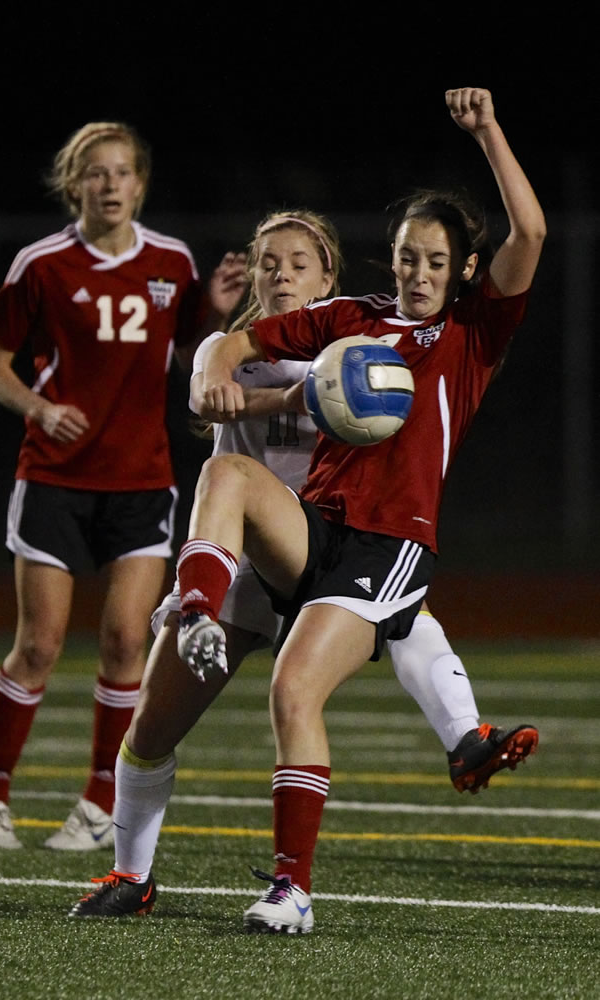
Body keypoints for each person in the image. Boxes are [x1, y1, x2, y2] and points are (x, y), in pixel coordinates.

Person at [68, 200, 538, 920]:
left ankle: (454, 743)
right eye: (267, 263)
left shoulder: (360, 341)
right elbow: (212, 375)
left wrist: (296, 391)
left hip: (336, 548)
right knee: (151, 727)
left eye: (297, 263)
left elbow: (398, 482)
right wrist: (222, 380)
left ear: (328, 275)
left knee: (375, 622)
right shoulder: (273, 341)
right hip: (239, 559)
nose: (280, 275)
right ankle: (131, 876)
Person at [169, 86, 545, 934]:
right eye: (407, 257)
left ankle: (292, 891)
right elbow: (251, 337)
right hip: (319, 526)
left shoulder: (471, 336)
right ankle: (192, 604)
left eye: (434, 262)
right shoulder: (356, 321)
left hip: (390, 543)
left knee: (293, 685)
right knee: (225, 478)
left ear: (462, 273)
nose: (415, 273)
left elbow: (530, 235)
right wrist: (212, 368)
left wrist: (486, 131)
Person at [0, 120, 246, 850]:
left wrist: (210, 311)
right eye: (96, 172)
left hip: (142, 479)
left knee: (126, 643)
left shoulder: (172, 260)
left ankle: (97, 802)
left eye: (123, 172)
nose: (110, 184)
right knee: (39, 646)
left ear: (140, 185)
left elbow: (184, 359)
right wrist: (39, 407)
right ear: (74, 183)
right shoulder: (43, 263)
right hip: (54, 477)